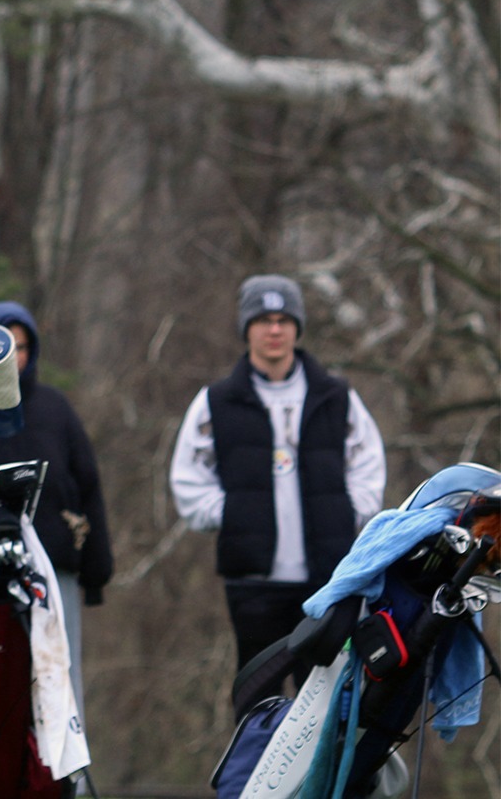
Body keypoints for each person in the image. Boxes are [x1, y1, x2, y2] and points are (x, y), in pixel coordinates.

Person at [169, 274, 385, 714]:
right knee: (256, 704)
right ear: (246, 328)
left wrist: (348, 514)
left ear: (297, 327)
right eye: (263, 319)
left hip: (328, 583)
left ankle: (319, 786)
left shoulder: (335, 397)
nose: (274, 329)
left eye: (283, 319)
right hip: (252, 586)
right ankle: (248, 784)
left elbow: (368, 467)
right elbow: (188, 480)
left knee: (322, 706)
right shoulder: (218, 401)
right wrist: (234, 516)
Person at [0, 301, 112, 720]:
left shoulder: (56, 409)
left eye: (24, 346)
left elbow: (87, 485)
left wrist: (96, 568)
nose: (16, 355)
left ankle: (66, 781)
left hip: (54, 569)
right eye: (6, 345)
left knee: (58, 671)